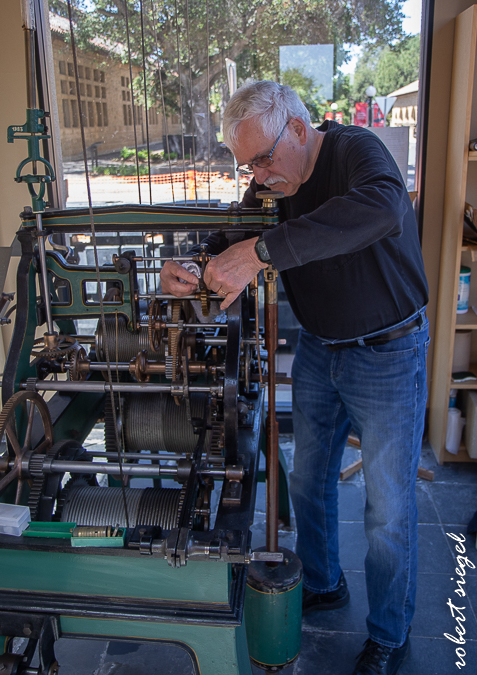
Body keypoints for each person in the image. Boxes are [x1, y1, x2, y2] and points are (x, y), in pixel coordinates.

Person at [160, 81, 429, 675]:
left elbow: (382, 209)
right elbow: (234, 235)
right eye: (245, 164)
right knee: (308, 482)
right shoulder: (271, 186)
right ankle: (326, 583)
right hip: (319, 351)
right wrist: (194, 265)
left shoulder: (356, 151)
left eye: (262, 159)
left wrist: (262, 252)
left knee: (388, 510)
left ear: (301, 131)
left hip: (388, 351)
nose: (256, 176)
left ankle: (389, 634)